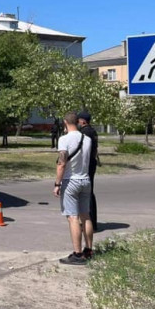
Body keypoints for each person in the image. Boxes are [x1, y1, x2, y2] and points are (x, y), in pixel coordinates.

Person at [53, 112, 93, 265]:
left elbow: (62, 163)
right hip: (85, 180)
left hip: (71, 181)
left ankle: (77, 254)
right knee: (86, 216)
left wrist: (57, 184)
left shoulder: (64, 139)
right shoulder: (87, 139)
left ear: (65, 122)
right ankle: (88, 250)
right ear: (77, 122)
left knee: (72, 217)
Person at [77, 110, 98, 231]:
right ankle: (91, 222)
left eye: (78, 120)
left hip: (87, 164)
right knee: (89, 193)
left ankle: (89, 223)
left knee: (87, 194)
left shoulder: (85, 132)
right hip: (92, 163)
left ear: (83, 121)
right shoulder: (92, 131)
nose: (77, 122)